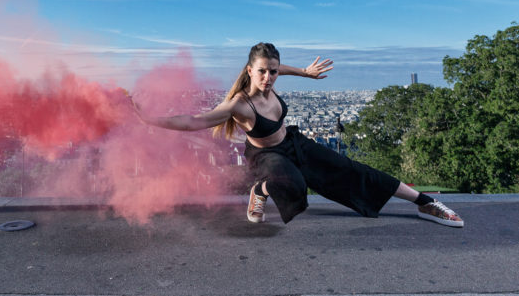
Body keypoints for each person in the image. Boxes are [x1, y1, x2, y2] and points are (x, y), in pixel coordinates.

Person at [134, 42, 463, 228]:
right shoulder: (240, 104)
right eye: (262, 71)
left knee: (353, 170)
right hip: (267, 157)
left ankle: (425, 202)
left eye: (273, 71)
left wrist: (304, 72)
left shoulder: (274, 77)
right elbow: (194, 121)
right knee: (293, 187)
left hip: (294, 143)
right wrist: (151, 120)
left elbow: (283, 68)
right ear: (249, 70)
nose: (269, 77)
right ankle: (260, 190)